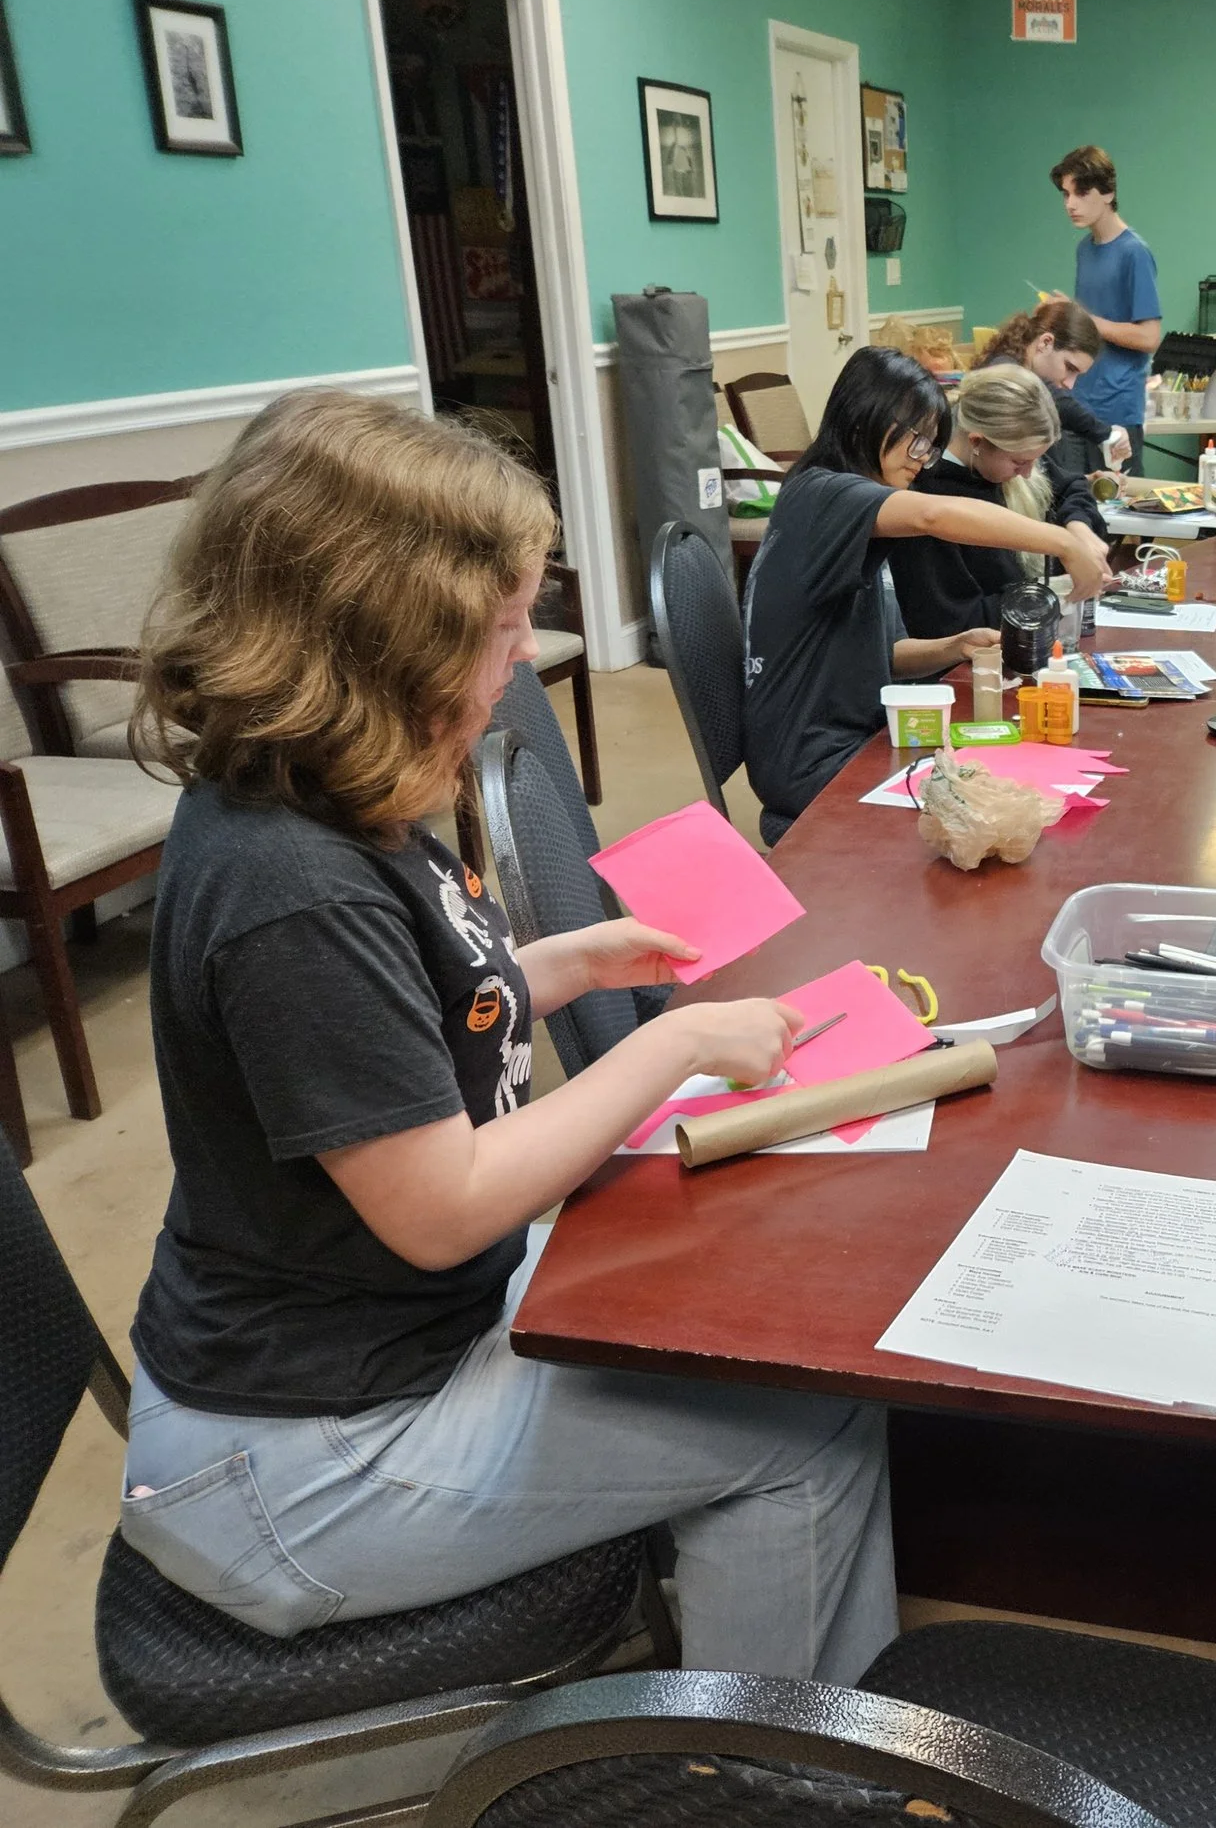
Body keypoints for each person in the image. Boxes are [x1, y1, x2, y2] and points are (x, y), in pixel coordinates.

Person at [119, 388, 897, 1688]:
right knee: (805, 1426)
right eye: (501, 627)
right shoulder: (289, 889)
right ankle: (768, 1768)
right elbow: (443, 1208)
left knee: (749, 1293)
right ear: (386, 642)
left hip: (377, 1354)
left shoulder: (330, 795)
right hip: (301, 1459)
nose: (527, 653)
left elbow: (399, 1017)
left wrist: (559, 965)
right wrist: (670, 1047)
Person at [742, 347, 1110, 844]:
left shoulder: (855, 518)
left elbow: (888, 655)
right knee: (1004, 811)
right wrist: (1065, 543)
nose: (923, 461)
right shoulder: (822, 494)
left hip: (853, 736)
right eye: (917, 442)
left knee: (1017, 793)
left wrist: (954, 646)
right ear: (865, 421)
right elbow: (933, 514)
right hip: (812, 758)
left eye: (930, 447)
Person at [887, 362, 1111, 641]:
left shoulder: (1009, 460)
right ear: (977, 442)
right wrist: (1047, 593)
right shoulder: (926, 495)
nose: (1028, 473)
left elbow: (1072, 487)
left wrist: (1079, 527)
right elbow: (949, 623)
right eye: (1019, 462)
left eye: (1035, 459)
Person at [1053, 145, 1160, 440]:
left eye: (1081, 193)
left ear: (1108, 193)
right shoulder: (1084, 250)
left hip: (1118, 408)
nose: (1070, 204)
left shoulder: (1134, 252)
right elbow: (1087, 330)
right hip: (1079, 401)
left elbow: (1149, 338)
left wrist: (1084, 318)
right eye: (1066, 194)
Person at [980, 297, 1127, 486]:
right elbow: (1055, 400)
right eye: (1069, 368)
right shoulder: (1004, 374)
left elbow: (1041, 476)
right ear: (1045, 342)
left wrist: (1085, 482)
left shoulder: (1012, 368)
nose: (1070, 384)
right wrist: (1106, 434)